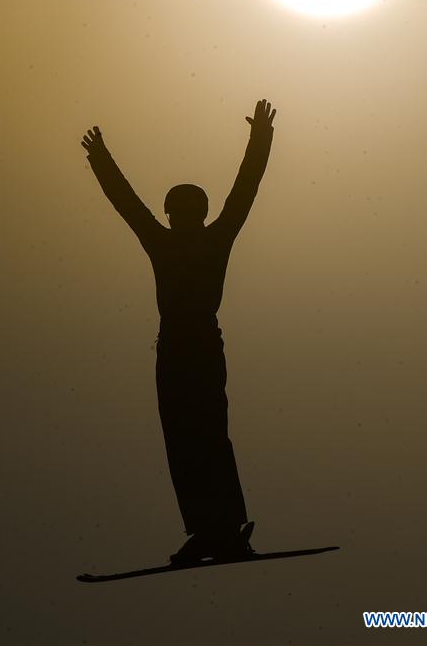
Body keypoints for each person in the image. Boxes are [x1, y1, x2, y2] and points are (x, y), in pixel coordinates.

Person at [80, 98, 276, 564]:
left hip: (196, 348)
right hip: (177, 350)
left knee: (202, 435)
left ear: (181, 213)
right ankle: (209, 531)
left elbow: (242, 189)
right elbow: (130, 202)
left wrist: (260, 139)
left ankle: (224, 530)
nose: (176, 217)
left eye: (179, 210)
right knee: (187, 438)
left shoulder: (198, 238)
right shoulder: (177, 240)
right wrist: (100, 159)